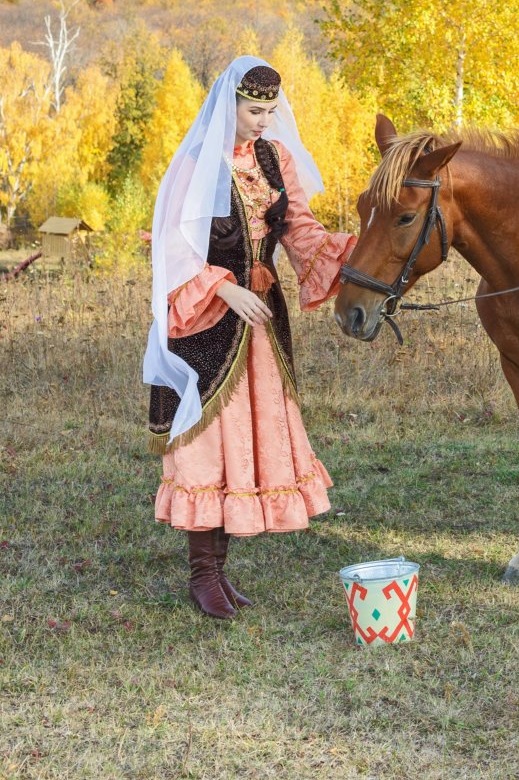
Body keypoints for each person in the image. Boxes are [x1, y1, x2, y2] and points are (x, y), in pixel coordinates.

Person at [143, 56, 356, 619]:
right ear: (228, 104)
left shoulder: (273, 158)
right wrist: (222, 288)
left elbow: (299, 230)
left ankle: (220, 571)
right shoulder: (196, 165)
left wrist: (352, 256)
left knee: (246, 440)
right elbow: (172, 245)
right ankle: (202, 574)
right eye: (253, 110)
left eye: (269, 111)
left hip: (262, 320)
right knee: (210, 438)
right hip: (209, 318)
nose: (263, 120)